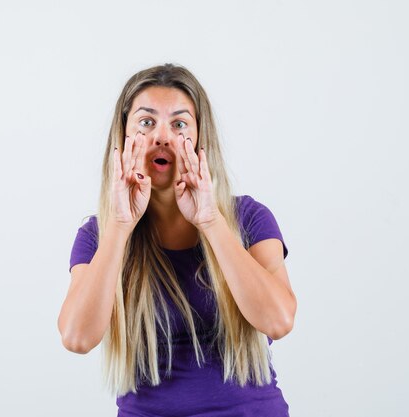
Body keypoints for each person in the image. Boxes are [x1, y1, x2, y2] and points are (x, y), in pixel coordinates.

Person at [58, 63, 297, 417]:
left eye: (179, 123)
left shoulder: (248, 217)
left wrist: (211, 221)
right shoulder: (99, 235)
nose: (162, 137)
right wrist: (121, 225)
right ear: (123, 135)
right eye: (146, 122)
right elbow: (77, 337)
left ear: (200, 137)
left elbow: (278, 321)